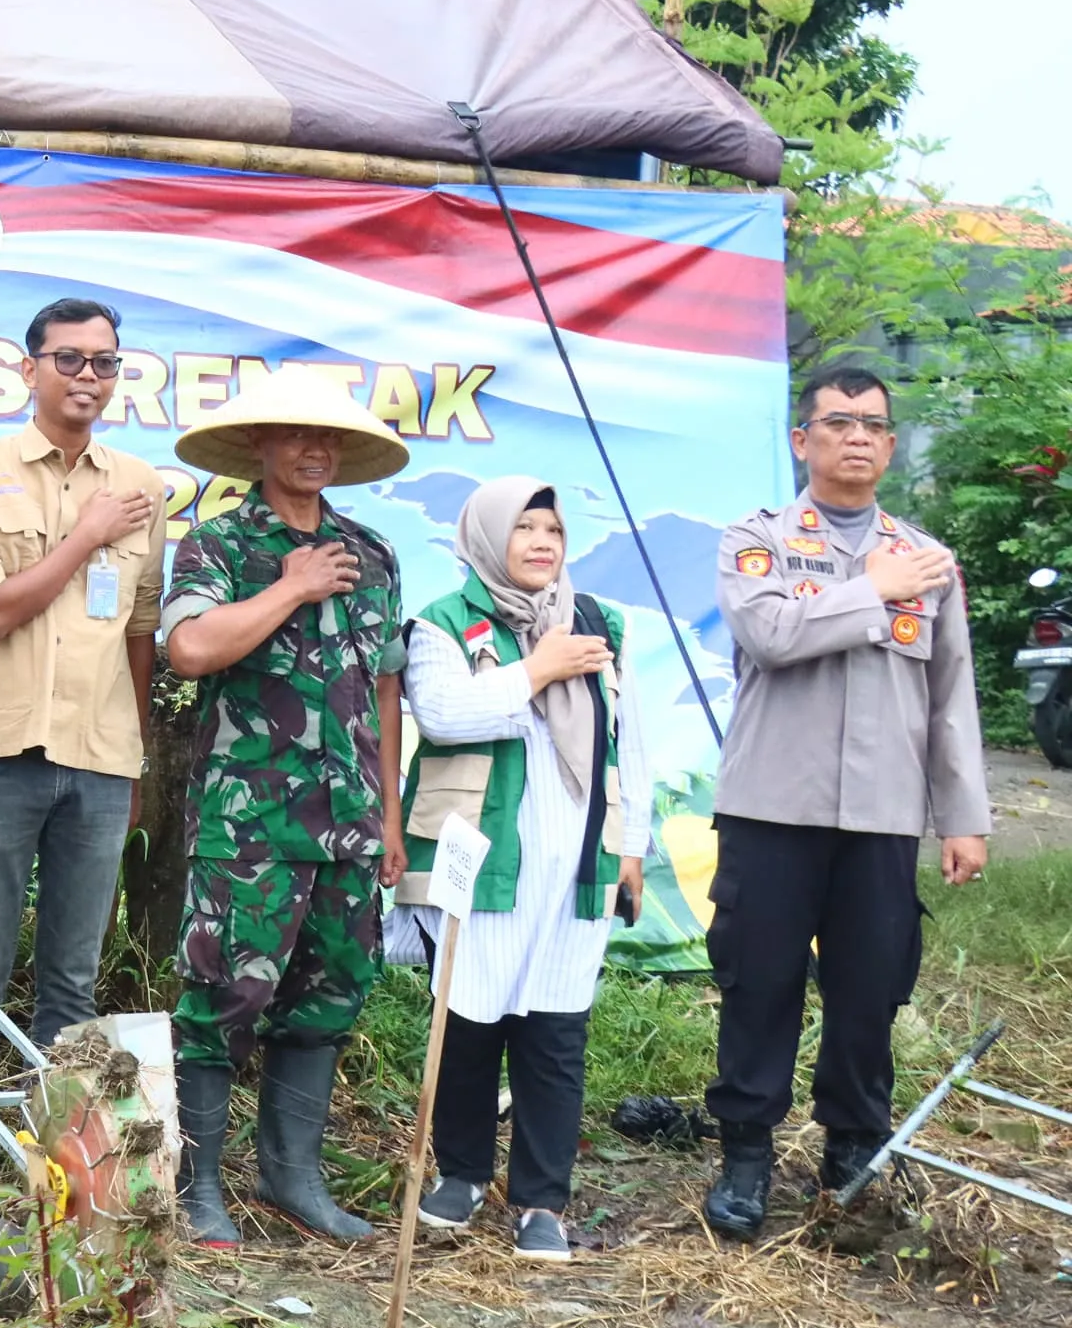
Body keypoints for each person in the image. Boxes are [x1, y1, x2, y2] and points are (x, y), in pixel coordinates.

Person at [699, 366, 989, 1240]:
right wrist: (874, 588)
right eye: (837, 422)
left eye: (872, 425)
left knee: (870, 991)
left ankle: (851, 1157)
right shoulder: (758, 541)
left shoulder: (930, 560)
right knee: (761, 985)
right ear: (803, 440)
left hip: (883, 815)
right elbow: (773, 634)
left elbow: (950, 695)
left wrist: (963, 815)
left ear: (891, 445)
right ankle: (745, 1157)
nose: (856, 437)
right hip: (772, 809)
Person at [158, 367, 411, 1248]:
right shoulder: (218, 547)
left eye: (328, 438)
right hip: (250, 822)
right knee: (225, 997)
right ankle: (197, 1191)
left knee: (329, 998)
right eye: (295, 435)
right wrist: (292, 587)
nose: (314, 450)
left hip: (348, 823)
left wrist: (389, 817)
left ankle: (292, 1180)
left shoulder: (373, 553)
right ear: (259, 446)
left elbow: (384, 691)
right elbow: (190, 650)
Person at [0, 297, 164, 1193]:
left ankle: (58, 1169)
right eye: (69, 360)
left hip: (101, 757)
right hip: (2, 752)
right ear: (28, 370)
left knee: (73, 978)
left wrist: (134, 750)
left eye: (105, 363)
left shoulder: (143, 484)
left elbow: (140, 629)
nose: (88, 378)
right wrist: (86, 536)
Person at [394, 477, 649, 1263]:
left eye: (554, 531)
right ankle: (463, 1174)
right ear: (486, 537)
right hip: (483, 857)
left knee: (555, 1031)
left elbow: (625, 737)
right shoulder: (442, 624)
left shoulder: (597, 622)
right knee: (469, 1022)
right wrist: (537, 670)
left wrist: (631, 843)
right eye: (525, 529)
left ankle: (543, 1200)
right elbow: (445, 716)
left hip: (574, 860)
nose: (542, 543)